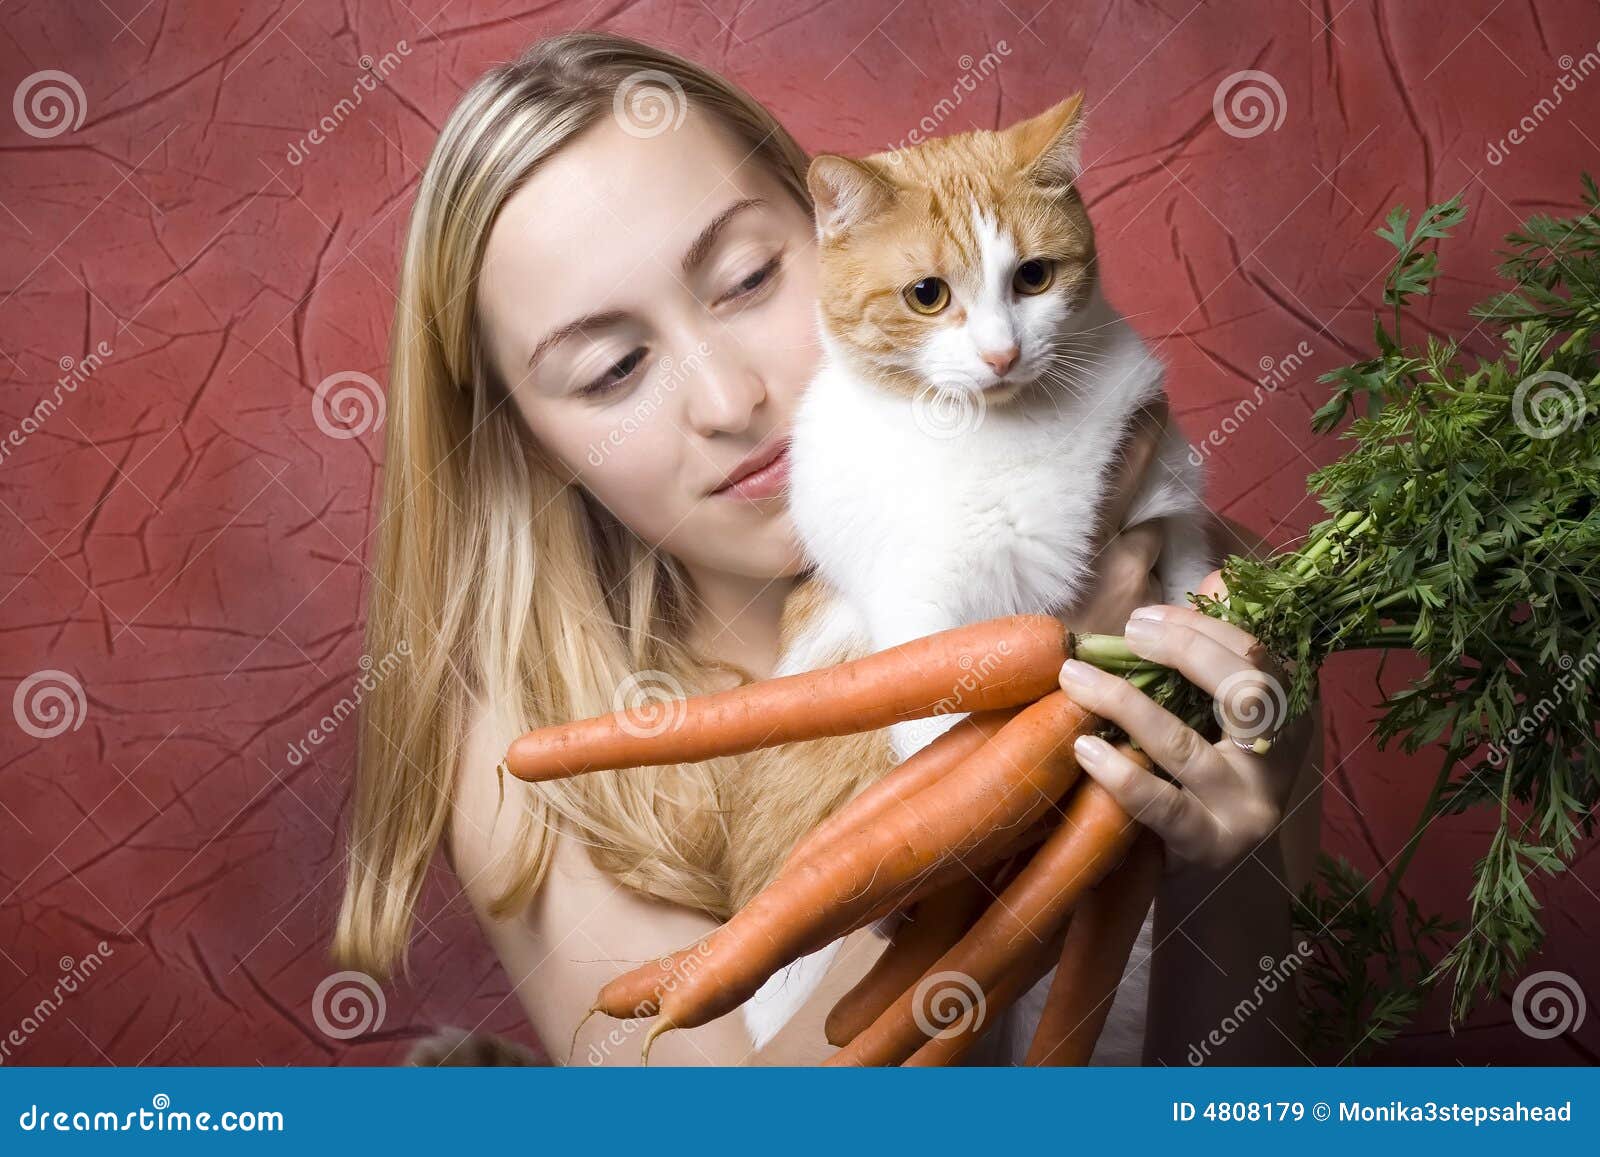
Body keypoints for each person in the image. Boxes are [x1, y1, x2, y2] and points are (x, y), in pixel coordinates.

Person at [332, 30, 1323, 1066]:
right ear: (528, 446)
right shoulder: (540, 752)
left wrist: (1228, 873)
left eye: (751, 278)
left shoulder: (1206, 588)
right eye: (614, 368)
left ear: (837, 227)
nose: (728, 401)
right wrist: (997, 766)